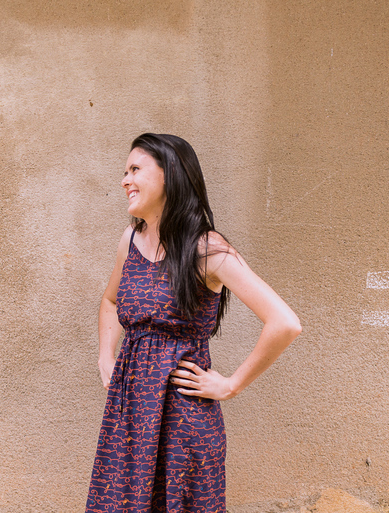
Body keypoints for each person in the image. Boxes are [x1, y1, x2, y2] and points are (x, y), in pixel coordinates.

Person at [86, 133, 301, 512]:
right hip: (130, 417)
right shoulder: (130, 241)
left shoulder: (207, 250)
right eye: (124, 171)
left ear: (169, 174)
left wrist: (231, 385)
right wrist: (107, 354)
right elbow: (110, 301)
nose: (124, 180)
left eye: (135, 169)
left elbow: (284, 322)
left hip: (182, 422)